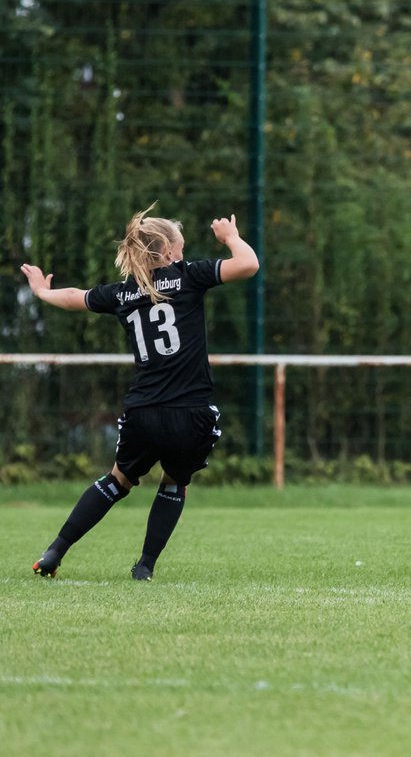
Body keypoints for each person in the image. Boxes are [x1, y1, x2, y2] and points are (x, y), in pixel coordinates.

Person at [23, 205, 259, 581]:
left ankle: (55, 550)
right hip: (191, 412)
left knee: (118, 480)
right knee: (174, 481)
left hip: (144, 410)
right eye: (179, 249)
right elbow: (248, 265)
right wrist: (230, 238)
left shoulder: (122, 293)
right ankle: (145, 566)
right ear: (167, 253)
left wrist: (40, 291)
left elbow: (73, 297)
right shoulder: (188, 275)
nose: (181, 255)